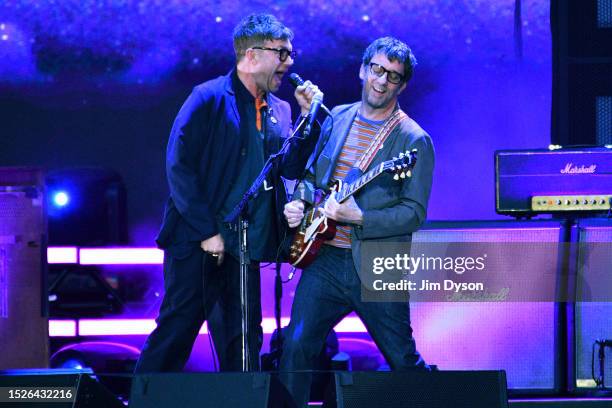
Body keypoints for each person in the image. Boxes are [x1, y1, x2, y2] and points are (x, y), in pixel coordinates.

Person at [135, 13, 321, 373]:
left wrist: (306, 117)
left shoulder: (280, 110)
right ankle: (145, 398)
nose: (290, 62)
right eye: (281, 53)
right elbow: (180, 166)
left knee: (245, 341)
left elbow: (291, 168)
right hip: (196, 242)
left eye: (290, 53)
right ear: (252, 55)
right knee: (177, 330)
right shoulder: (207, 98)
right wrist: (207, 231)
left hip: (247, 246)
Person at [280, 36, 435, 406]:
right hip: (326, 261)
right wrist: (299, 204)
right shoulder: (337, 118)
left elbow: (414, 213)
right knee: (296, 347)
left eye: (393, 76)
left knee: (403, 360)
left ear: (403, 85)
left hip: (378, 266)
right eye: (377, 70)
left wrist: (360, 217)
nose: (382, 81)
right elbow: (310, 179)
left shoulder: (414, 139)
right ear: (363, 69)